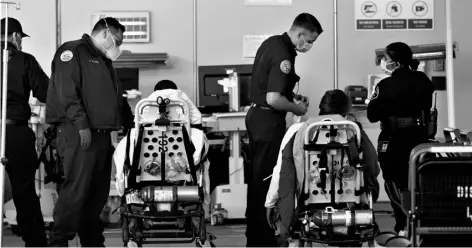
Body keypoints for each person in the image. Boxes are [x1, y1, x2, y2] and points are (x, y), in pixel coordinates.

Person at [45, 17, 134, 247]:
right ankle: (58, 241)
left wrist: (132, 123)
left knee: (96, 194)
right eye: (117, 40)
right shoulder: (72, 52)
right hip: (79, 133)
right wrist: (82, 124)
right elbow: (67, 92)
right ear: (105, 33)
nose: (118, 46)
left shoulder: (105, 62)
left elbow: (116, 98)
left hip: (102, 137)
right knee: (76, 189)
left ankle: (93, 241)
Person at [245, 13, 323, 247]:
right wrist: (296, 108)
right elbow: (274, 99)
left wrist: (292, 97)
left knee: (257, 178)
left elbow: (269, 88)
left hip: (257, 116)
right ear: (300, 34)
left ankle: (256, 235)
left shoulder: (271, 43)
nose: (308, 46)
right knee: (268, 179)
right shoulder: (284, 54)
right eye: (309, 41)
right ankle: (263, 239)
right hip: (269, 119)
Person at [265, 90, 380, 246]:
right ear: (346, 111)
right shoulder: (354, 130)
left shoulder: (299, 131)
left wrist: (270, 203)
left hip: (308, 204)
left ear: (321, 107)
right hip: (350, 203)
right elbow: (372, 167)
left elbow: (281, 171)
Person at [367, 42, 434, 236]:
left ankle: (402, 223)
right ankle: (418, 222)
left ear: (395, 64)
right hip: (419, 139)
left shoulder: (386, 85)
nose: (383, 63)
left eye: (386, 60)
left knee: (393, 180)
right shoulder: (423, 80)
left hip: (393, 139)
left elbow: (372, 114)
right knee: (418, 180)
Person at [0, 17, 49, 247]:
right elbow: (46, 93)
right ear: (17, 37)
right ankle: (35, 243)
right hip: (15, 133)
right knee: (25, 193)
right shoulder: (24, 60)